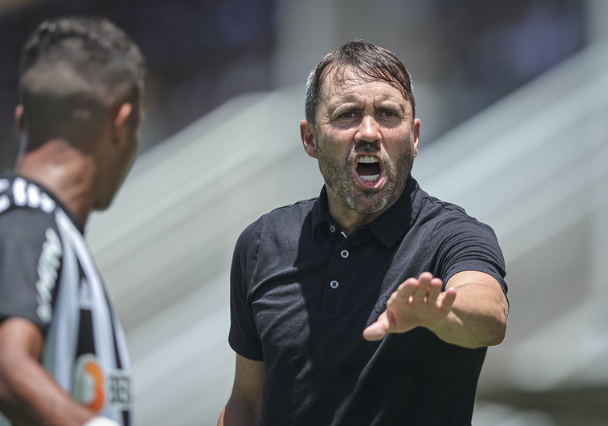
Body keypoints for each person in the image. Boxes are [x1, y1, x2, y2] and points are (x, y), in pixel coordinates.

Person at [218, 40, 509, 426]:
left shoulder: (453, 236)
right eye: (347, 115)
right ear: (310, 138)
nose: (369, 132)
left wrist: (439, 312)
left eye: (388, 113)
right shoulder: (261, 244)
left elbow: (490, 315)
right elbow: (246, 402)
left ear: (415, 136)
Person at [0, 16, 145, 426]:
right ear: (122, 124)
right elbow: (7, 368)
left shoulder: (31, 221)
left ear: (21, 122)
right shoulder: (26, 221)